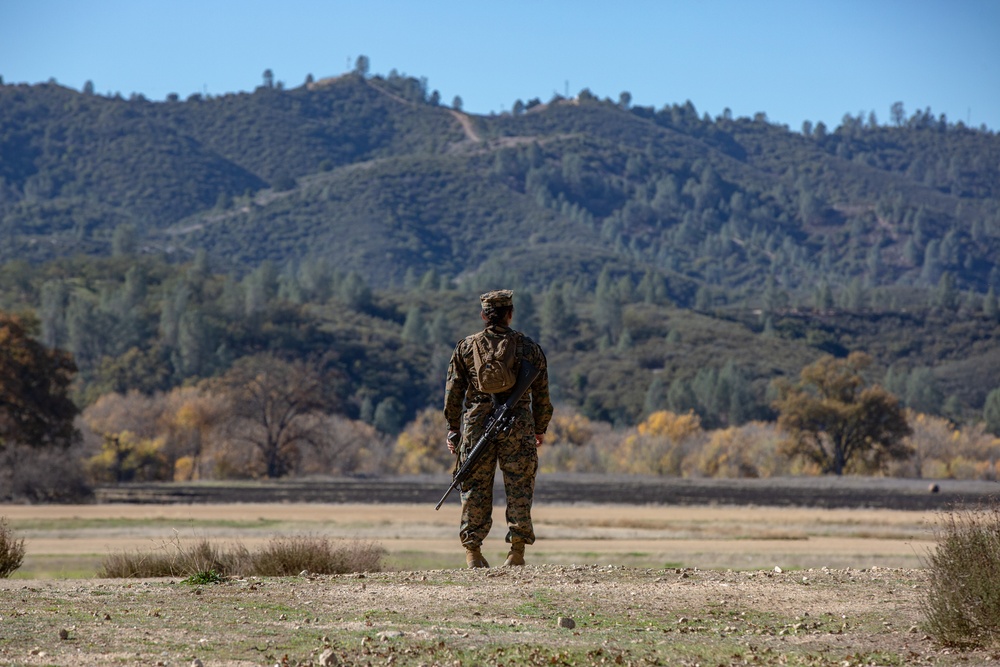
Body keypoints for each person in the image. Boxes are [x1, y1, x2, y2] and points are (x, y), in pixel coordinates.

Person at [443, 289, 552, 568]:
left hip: (477, 426)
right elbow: (541, 394)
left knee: (474, 488)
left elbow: (453, 393)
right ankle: (516, 552)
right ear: (510, 314)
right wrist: (539, 428)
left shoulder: (465, 347)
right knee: (519, 487)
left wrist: (453, 429)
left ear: (483, 316)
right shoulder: (528, 347)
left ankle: (473, 553)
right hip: (518, 425)